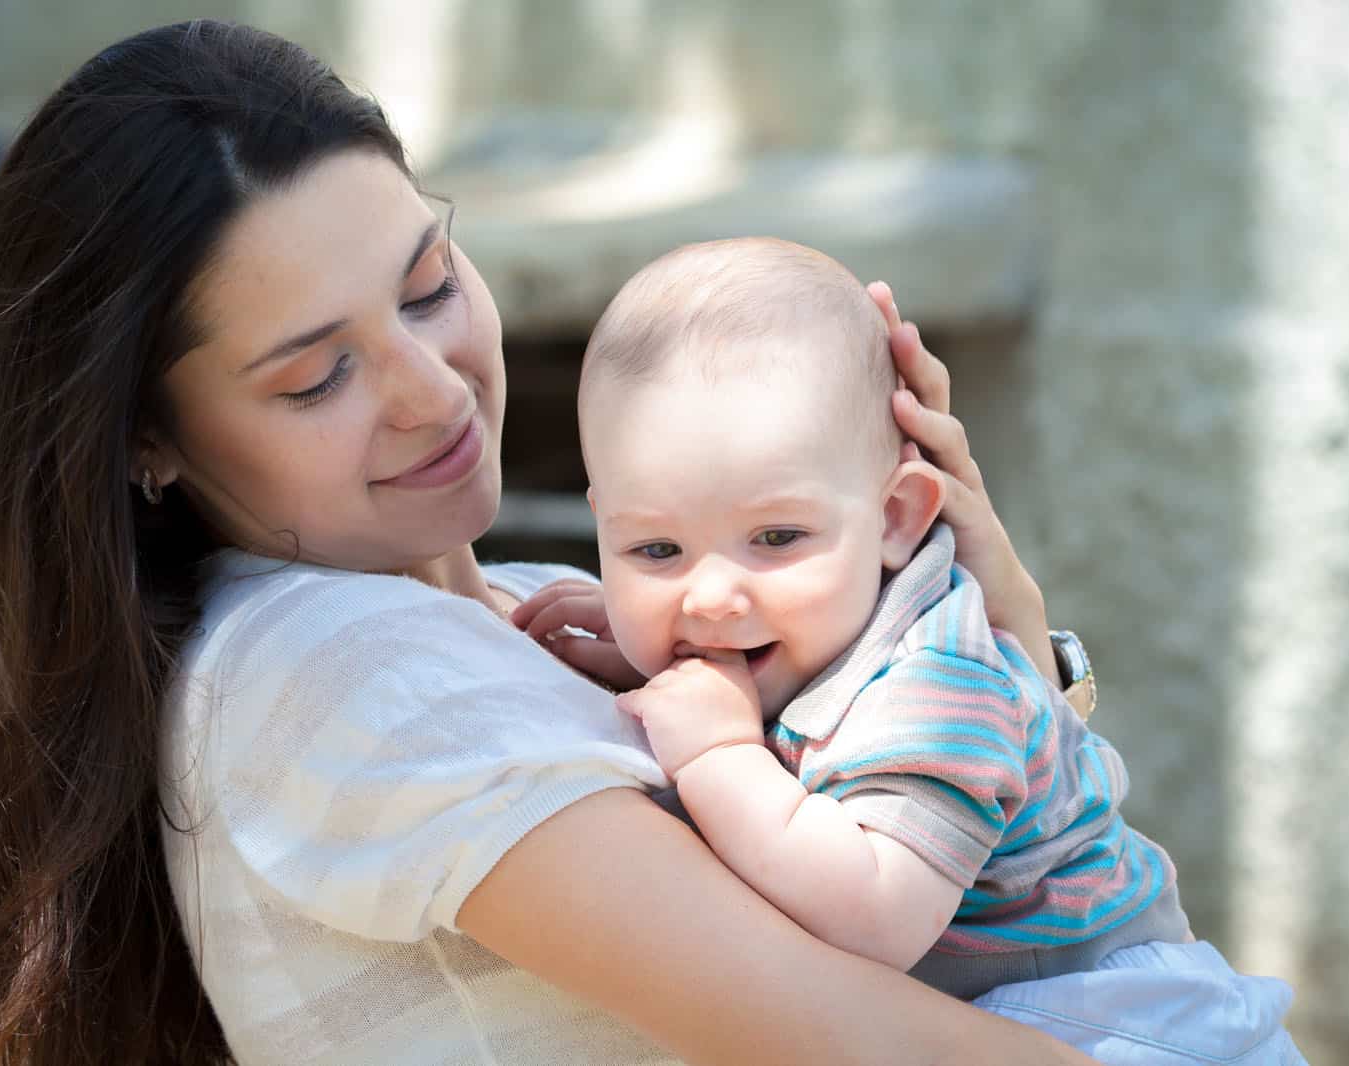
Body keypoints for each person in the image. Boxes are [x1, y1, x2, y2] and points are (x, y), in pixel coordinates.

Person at [0, 21, 1112, 1066]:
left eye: (428, 285)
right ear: (145, 443)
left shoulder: (567, 615)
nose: (432, 392)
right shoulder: (336, 667)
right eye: (320, 375)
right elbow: (865, 1036)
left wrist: (987, 600)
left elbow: (987, 884)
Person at [514, 238, 1305, 1064]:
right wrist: (648, 643)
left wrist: (718, 752)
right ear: (601, 521)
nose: (709, 598)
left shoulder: (936, 681)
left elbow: (878, 917)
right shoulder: (818, 627)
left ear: (896, 518)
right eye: (655, 551)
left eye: (776, 537)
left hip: (1119, 1021)